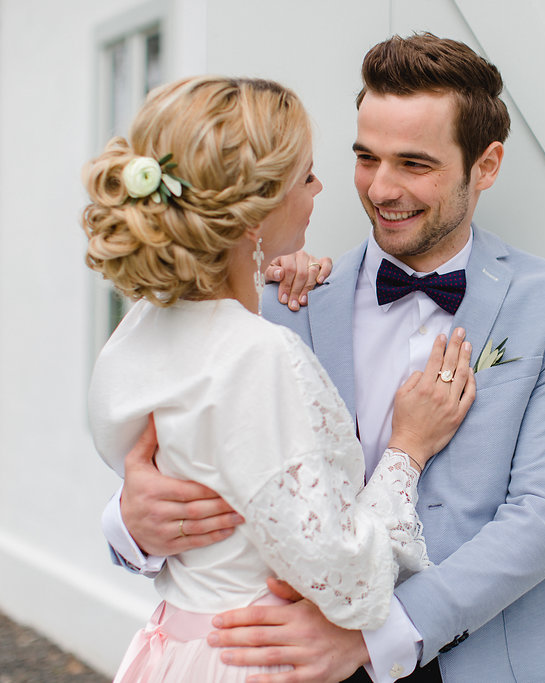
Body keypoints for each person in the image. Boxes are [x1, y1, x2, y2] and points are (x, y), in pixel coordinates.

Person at [106, 33, 545, 682]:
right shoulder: (278, 298)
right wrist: (129, 520)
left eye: (415, 164)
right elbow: (195, 453)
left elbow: (544, 514)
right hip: (296, 662)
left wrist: (375, 636)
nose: (382, 188)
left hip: (490, 657)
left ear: (486, 165)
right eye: (366, 157)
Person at [84, 74, 476, 682]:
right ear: (255, 215)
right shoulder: (262, 355)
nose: (322, 190)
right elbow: (352, 580)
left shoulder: (134, 334)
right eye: (307, 177)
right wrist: (408, 450)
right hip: (258, 660)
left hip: (175, 652)